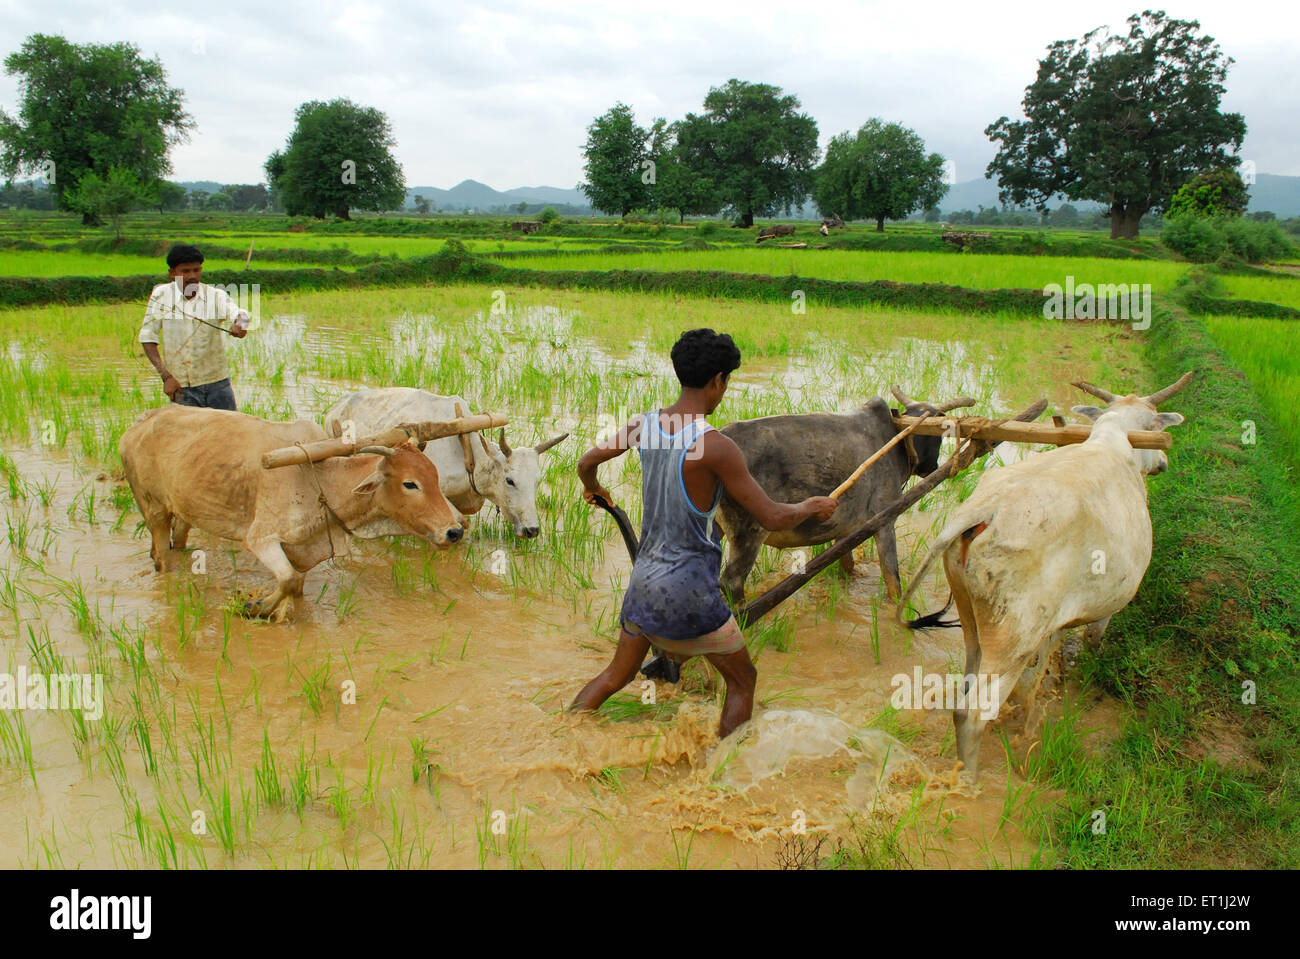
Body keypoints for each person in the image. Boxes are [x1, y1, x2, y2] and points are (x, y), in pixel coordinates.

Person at [571, 328, 838, 738]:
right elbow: (771, 516)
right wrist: (811, 507)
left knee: (613, 677)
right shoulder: (715, 446)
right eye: (726, 381)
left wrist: (594, 487)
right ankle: (721, 774)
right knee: (743, 680)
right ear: (717, 381)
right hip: (689, 593)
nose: (724, 390)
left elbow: (587, 461)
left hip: (642, 585)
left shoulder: (642, 424)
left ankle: (563, 734)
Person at [139, 244, 250, 410]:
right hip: (181, 388)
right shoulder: (161, 295)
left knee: (228, 434)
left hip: (218, 385)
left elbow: (241, 314)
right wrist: (166, 377)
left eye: (196, 270)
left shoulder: (215, 295)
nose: (192, 276)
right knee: (186, 436)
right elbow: (148, 338)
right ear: (172, 273)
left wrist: (239, 326)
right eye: (185, 271)